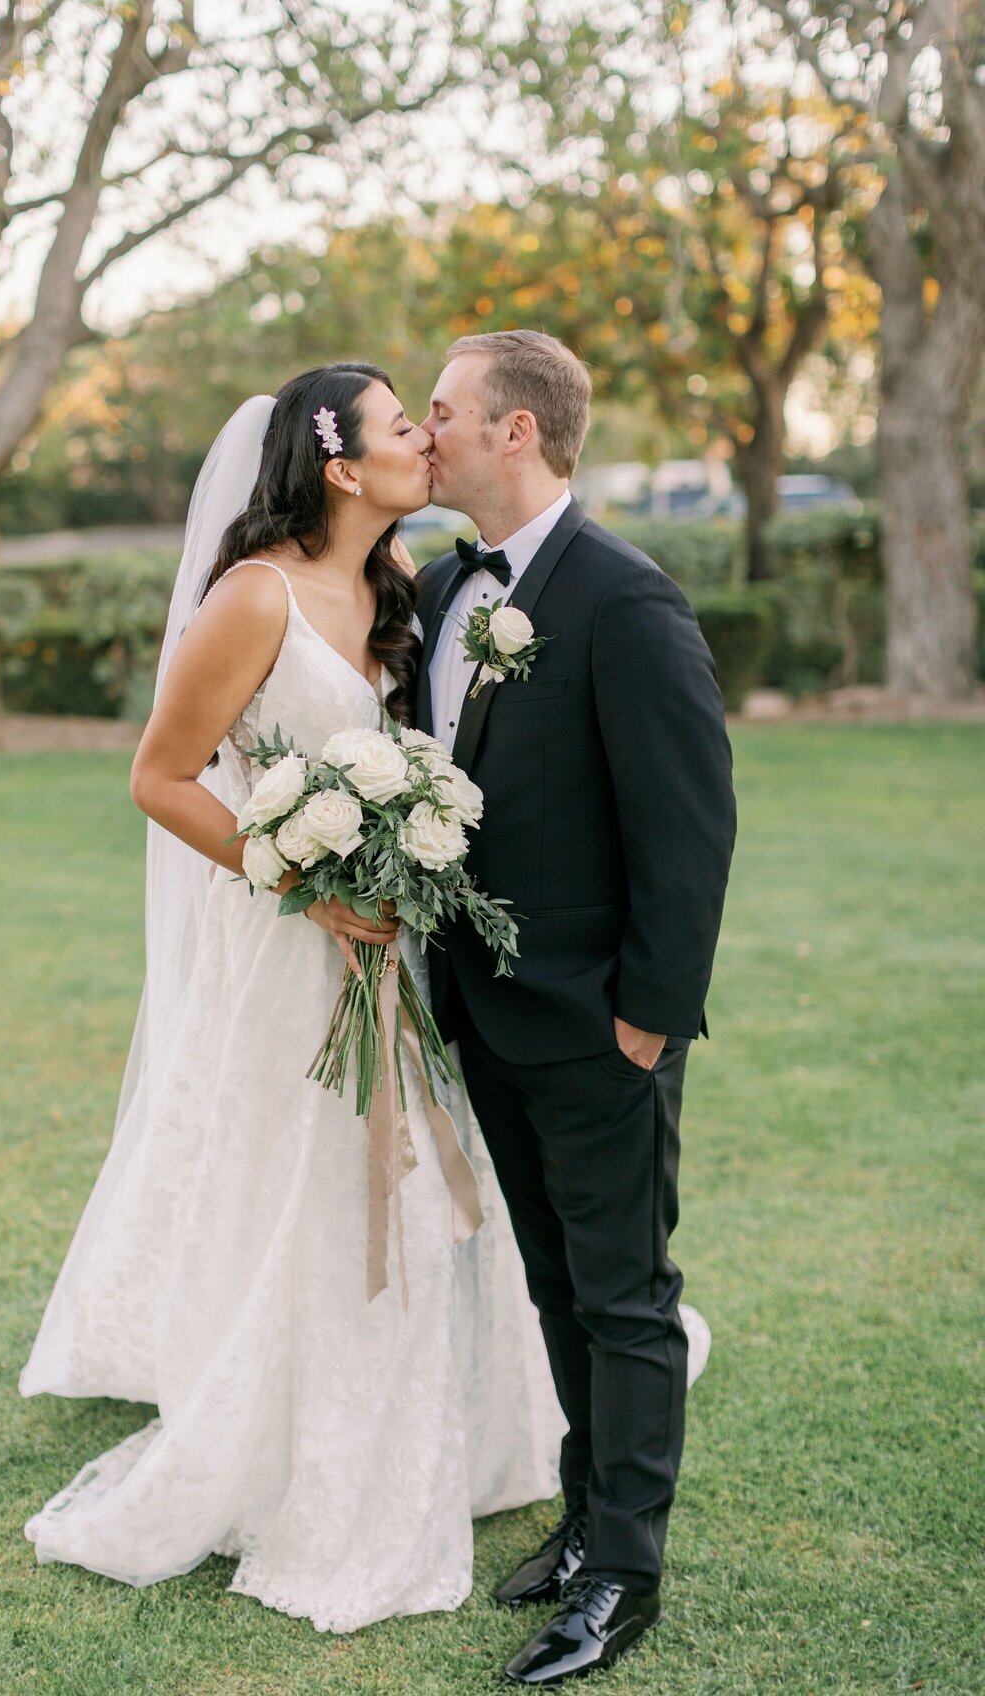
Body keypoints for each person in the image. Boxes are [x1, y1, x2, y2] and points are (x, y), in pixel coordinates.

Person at [18, 363, 576, 1632]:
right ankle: (300, 1461)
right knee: (310, 1190)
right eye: (400, 428)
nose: (425, 443)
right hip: (293, 948)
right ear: (339, 465)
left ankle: (448, 1431)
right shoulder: (252, 596)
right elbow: (161, 778)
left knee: (418, 1189)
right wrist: (301, 876)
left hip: (396, 948)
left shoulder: (398, 590)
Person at [415, 330, 737, 1684]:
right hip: (482, 1018)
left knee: (623, 1296)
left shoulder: (626, 600)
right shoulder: (441, 593)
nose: (421, 431)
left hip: (601, 1024)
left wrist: (647, 1022)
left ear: (515, 434)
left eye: (440, 411)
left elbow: (689, 829)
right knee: (553, 1287)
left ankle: (624, 1579)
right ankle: (583, 1510)